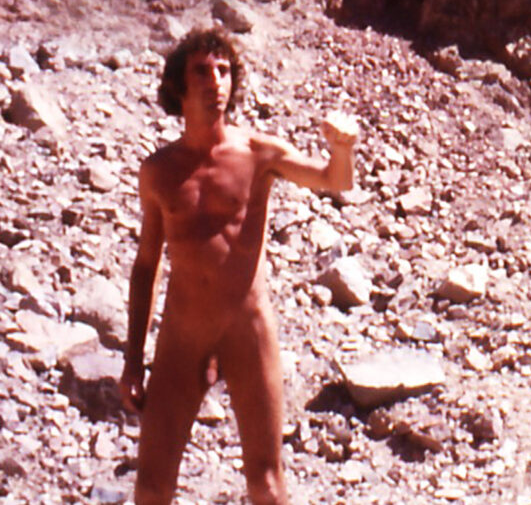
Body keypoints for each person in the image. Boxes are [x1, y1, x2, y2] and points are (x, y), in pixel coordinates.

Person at [119, 27, 358, 504]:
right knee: (151, 486)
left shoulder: (258, 153)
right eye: (202, 71)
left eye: (224, 71)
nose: (216, 82)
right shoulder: (159, 171)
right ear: (178, 86)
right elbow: (146, 266)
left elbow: (335, 180)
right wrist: (132, 360)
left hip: (248, 331)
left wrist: (343, 148)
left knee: (266, 483)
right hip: (183, 335)